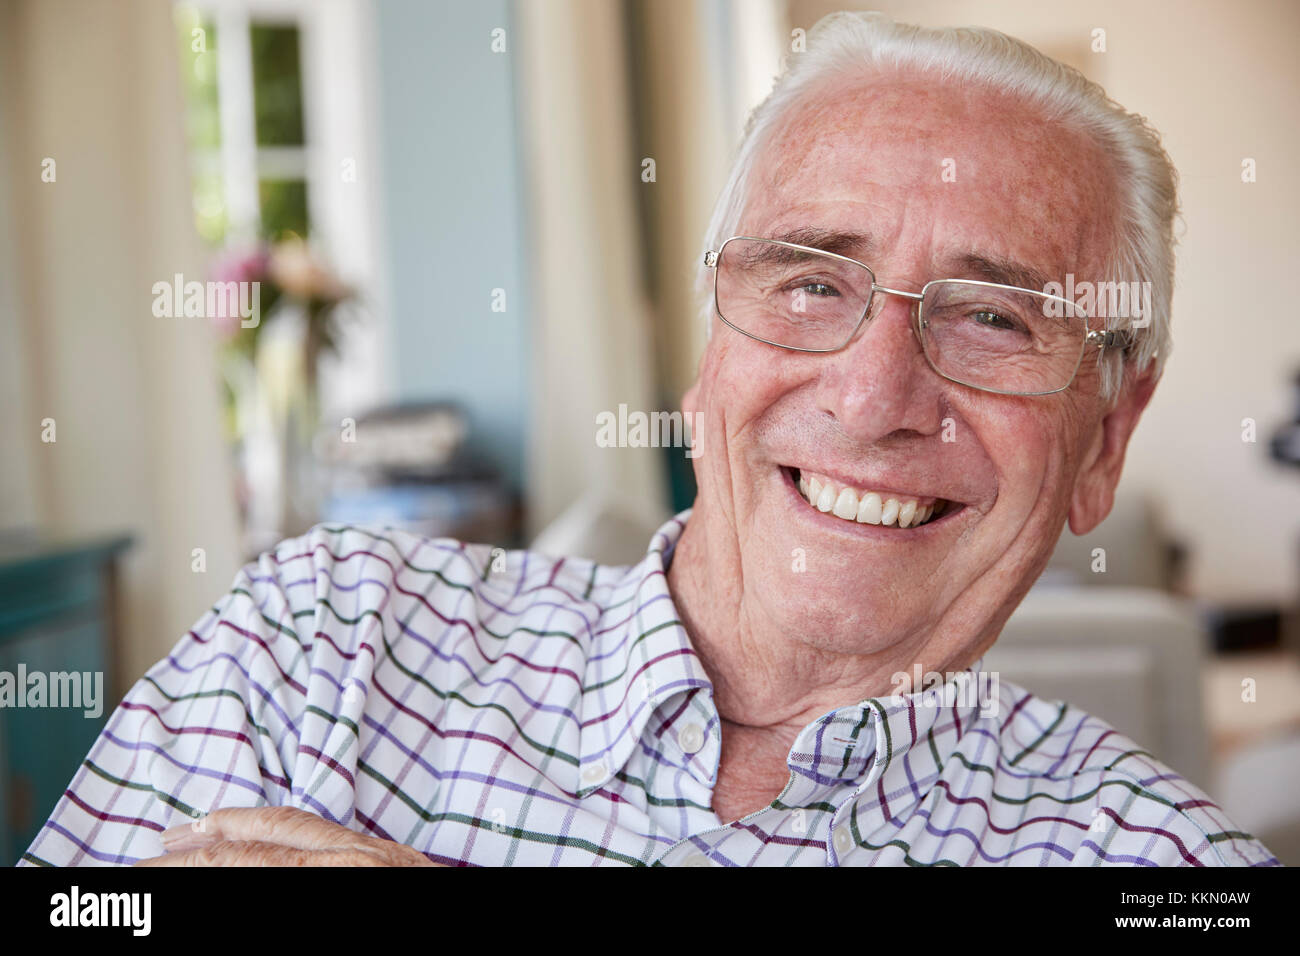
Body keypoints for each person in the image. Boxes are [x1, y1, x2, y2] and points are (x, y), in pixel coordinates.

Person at [22, 11, 1278, 867]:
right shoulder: (325, 637)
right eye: (808, 282)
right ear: (708, 353)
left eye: (994, 315)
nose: (872, 392)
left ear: (1105, 434)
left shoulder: (1158, 863)